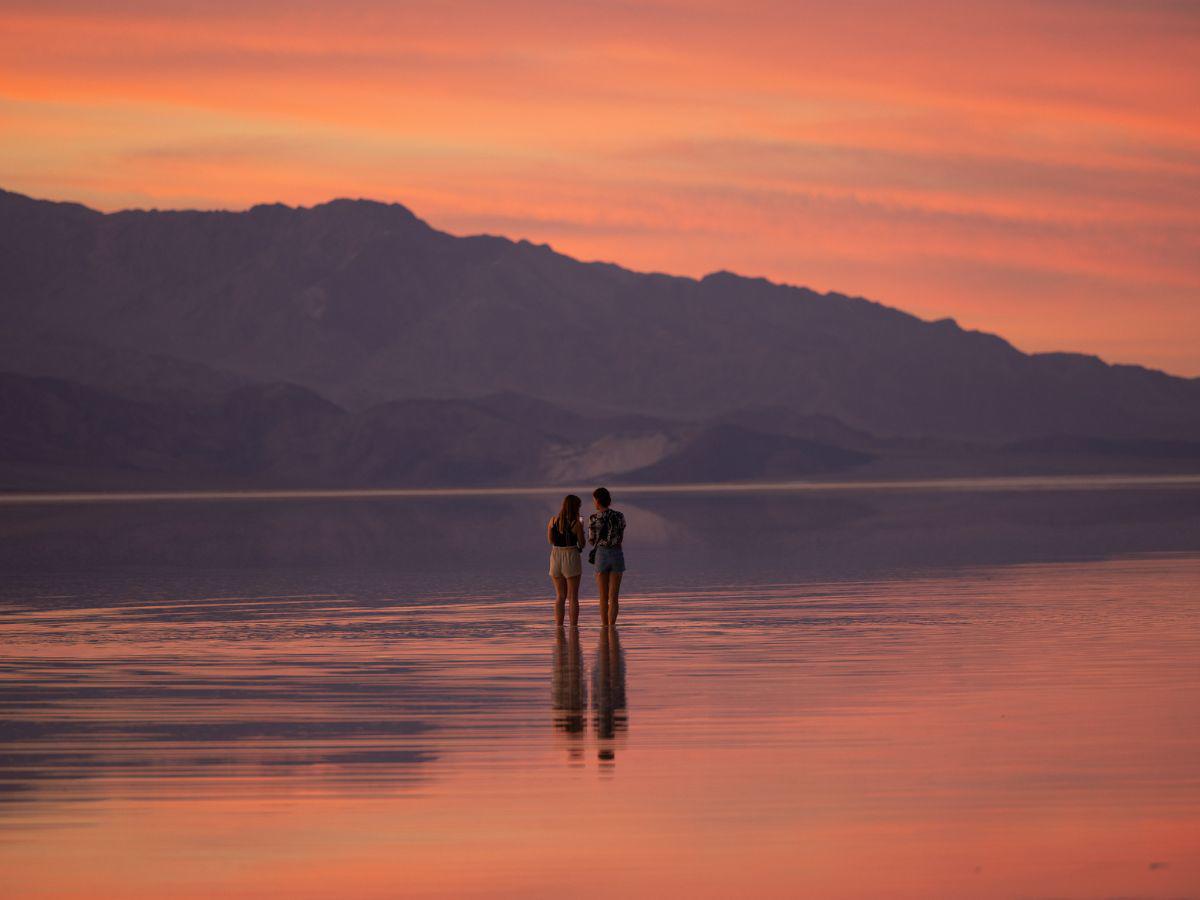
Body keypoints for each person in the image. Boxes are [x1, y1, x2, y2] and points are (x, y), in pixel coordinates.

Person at [588, 486, 626, 627]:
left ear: (598, 501)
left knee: (603, 597)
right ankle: (612, 627)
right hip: (616, 553)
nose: (594, 503)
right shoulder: (619, 516)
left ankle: (604, 627)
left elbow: (591, 541)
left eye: (594, 500)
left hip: (601, 555)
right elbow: (621, 536)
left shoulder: (593, 518)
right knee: (614, 597)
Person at [547, 494, 585, 627]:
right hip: (571, 555)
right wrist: (582, 528)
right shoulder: (576, 523)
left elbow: (550, 540)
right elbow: (582, 544)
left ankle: (559, 627)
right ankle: (573, 627)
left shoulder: (553, 521)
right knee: (573, 597)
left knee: (560, 596)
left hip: (556, 556)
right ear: (575, 507)